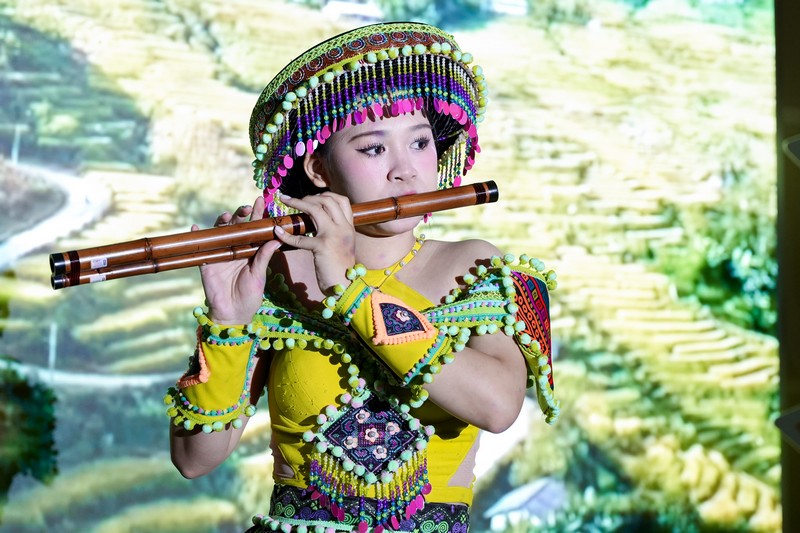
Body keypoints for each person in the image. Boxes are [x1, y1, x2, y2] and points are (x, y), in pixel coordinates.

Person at [166, 21, 559, 533]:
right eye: (374, 149)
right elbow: (194, 460)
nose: (406, 170)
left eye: (420, 143)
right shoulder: (277, 281)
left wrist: (349, 288)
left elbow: (497, 407)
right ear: (318, 169)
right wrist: (227, 323)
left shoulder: (476, 268)